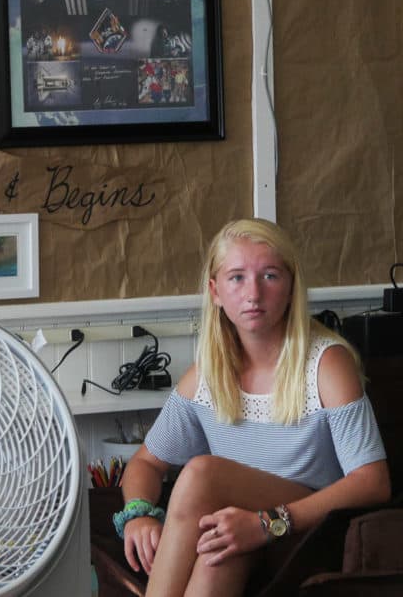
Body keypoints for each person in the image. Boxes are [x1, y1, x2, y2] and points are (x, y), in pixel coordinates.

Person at [117, 218, 390, 597]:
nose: (253, 294)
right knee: (217, 550)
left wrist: (268, 522)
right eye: (237, 277)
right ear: (215, 291)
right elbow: (146, 463)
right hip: (240, 527)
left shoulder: (327, 364)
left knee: (202, 473)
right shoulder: (207, 376)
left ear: (292, 286)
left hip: (311, 533)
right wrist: (139, 513)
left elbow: (373, 482)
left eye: (270, 276)